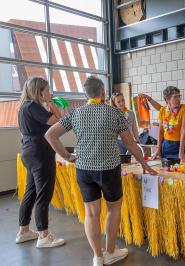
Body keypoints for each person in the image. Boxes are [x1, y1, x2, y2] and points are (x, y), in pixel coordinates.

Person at [45, 76, 158, 266]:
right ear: (103, 92)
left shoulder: (76, 113)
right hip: (108, 169)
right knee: (113, 209)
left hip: (84, 170)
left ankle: (98, 257)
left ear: (86, 93)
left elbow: (50, 135)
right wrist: (145, 165)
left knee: (91, 213)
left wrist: (67, 156)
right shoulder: (114, 113)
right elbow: (130, 143)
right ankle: (111, 251)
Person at [17, 77, 66, 248]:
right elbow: (59, 122)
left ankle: (23, 230)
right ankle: (43, 235)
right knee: (43, 194)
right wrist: (51, 102)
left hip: (29, 152)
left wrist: (49, 102)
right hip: (40, 154)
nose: (49, 92)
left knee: (30, 191)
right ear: (40, 92)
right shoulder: (33, 107)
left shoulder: (24, 107)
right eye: (47, 90)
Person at [151, 86, 185, 162]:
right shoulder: (163, 110)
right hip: (167, 145)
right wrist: (158, 149)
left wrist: (181, 151)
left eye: (179, 96)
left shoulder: (184, 109)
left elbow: (184, 130)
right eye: (175, 97)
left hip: (181, 145)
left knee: (181, 170)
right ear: (167, 99)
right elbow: (161, 131)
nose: (178, 99)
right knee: (166, 170)